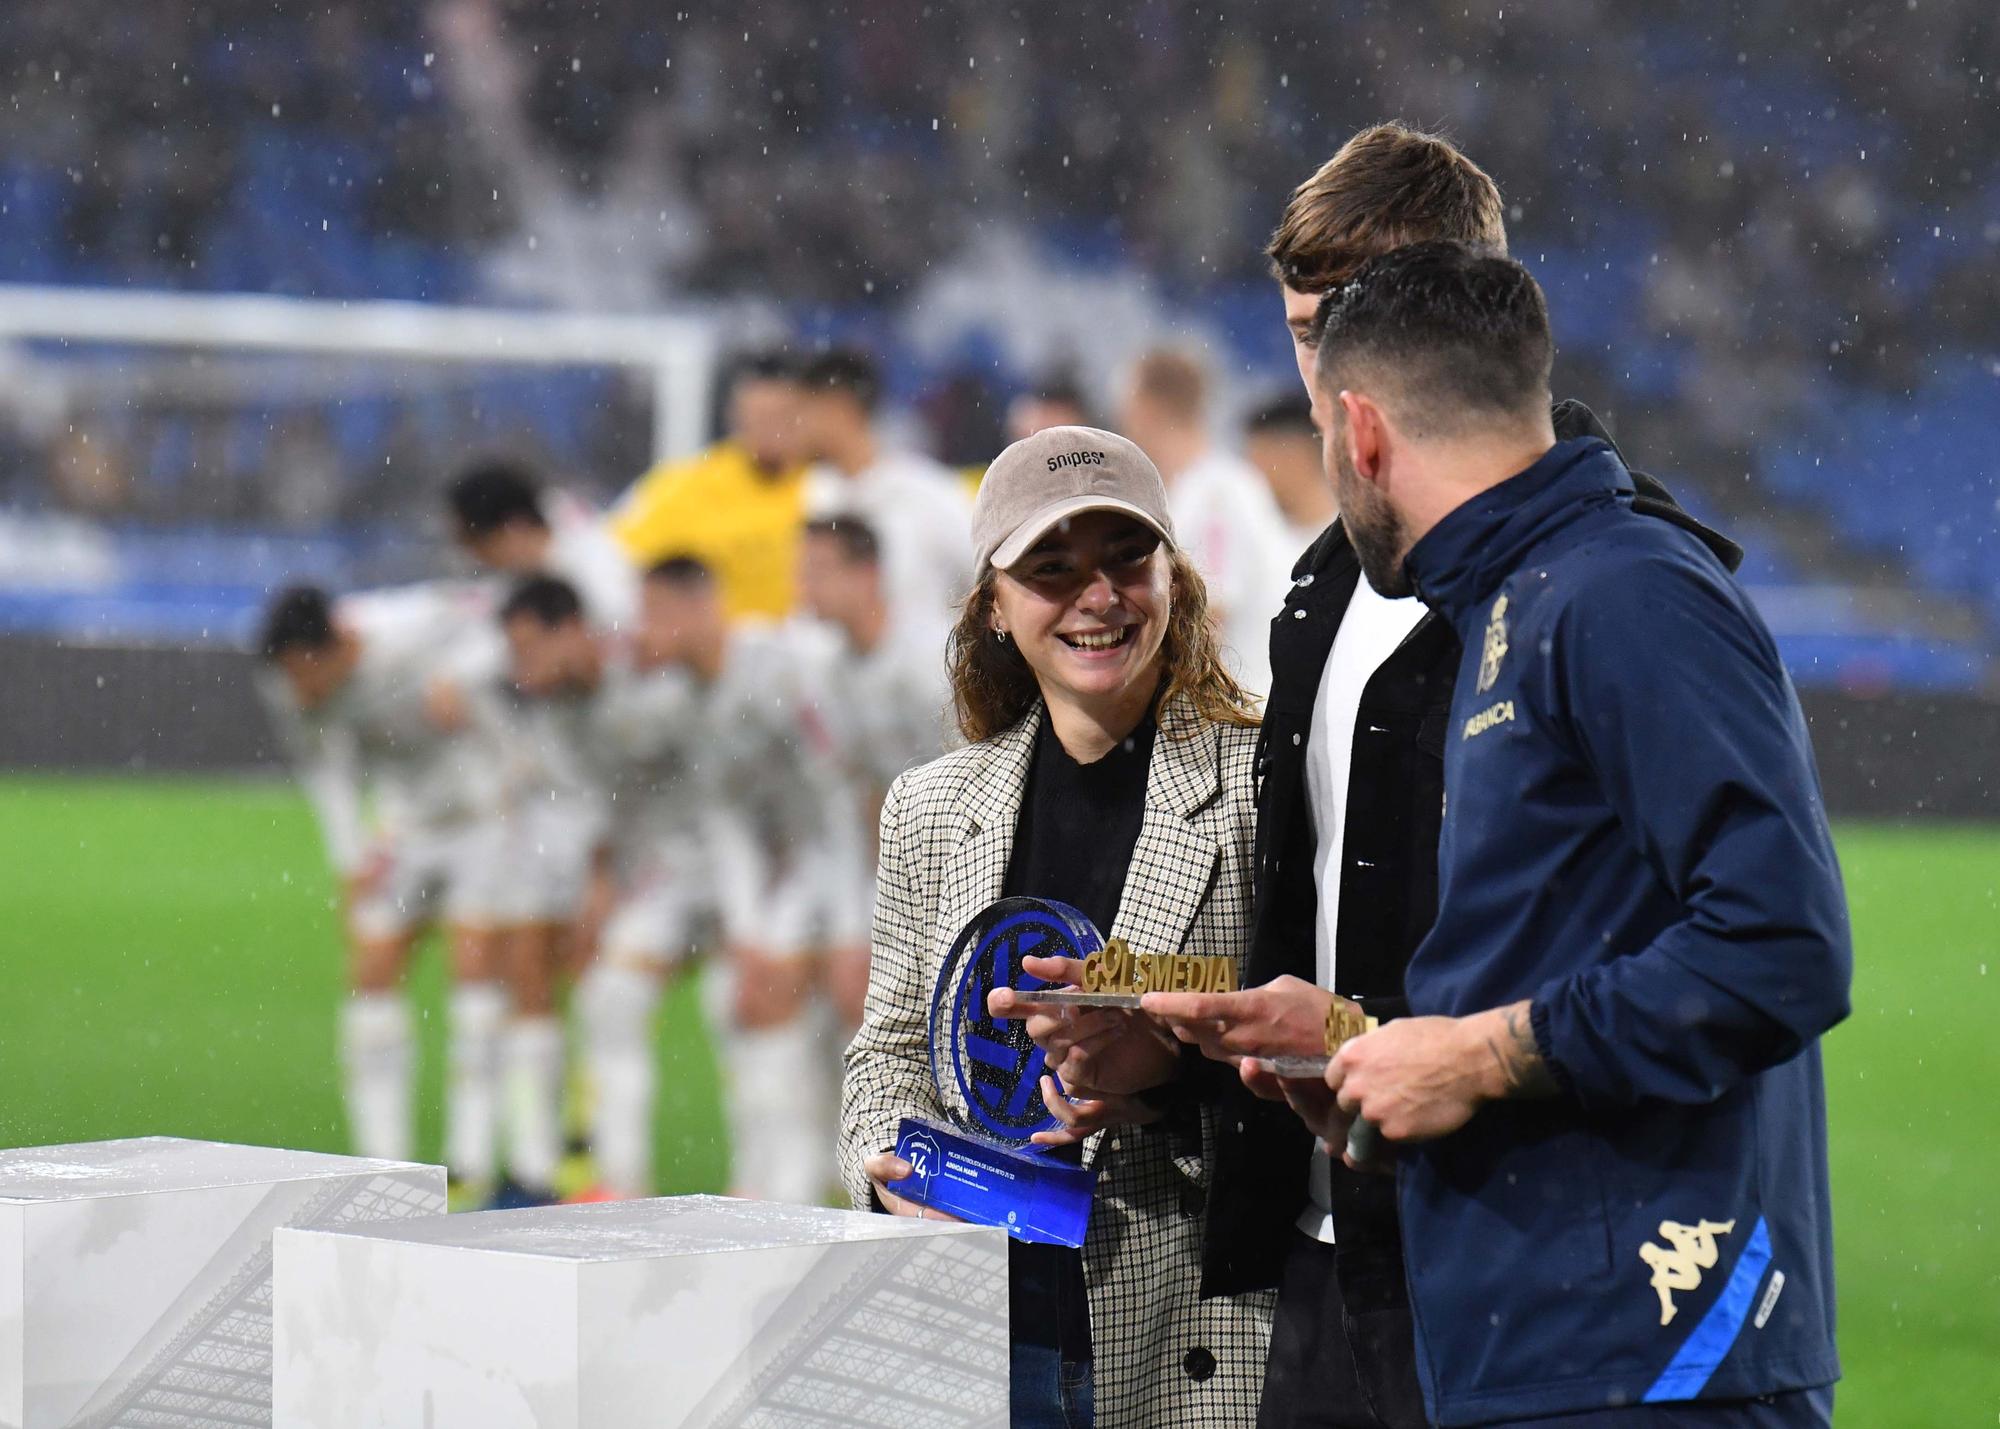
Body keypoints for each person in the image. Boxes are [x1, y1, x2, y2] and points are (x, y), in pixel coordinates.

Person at [1020, 122, 1742, 1429]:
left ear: (1477, 315)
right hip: (1328, 1272)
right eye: (1303, 330)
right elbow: (1322, 959)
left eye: (1353, 323)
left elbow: (1737, 955)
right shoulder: (1320, 586)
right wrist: (1164, 1036)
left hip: (1544, 1278)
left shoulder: (1619, 581)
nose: (1326, 376)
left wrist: (1417, 1049)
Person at [1270, 238, 1850, 1426]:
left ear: (1361, 431)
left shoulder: (1619, 593)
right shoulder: (1516, 599)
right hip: (1546, 1345)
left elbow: (1780, 945)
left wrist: (1474, 1057)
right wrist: (1375, 1054)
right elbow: (1559, 955)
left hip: (1654, 1355)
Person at [840, 425, 1274, 1427]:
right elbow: (889, 1050)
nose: (1097, 595)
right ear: (992, 604)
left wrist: (1165, 1080)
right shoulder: (931, 805)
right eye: (1049, 567)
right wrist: (883, 1166)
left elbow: (1327, 1035)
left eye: (1126, 555)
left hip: (1191, 1332)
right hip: (980, 1319)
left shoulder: (1265, 783)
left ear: (1175, 574)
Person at [255, 583, 512, 1199]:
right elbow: (327, 774)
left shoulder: (408, 625)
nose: (302, 691)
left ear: (338, 643)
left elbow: (500, 621)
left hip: (487, 813)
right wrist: (350, 863)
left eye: (307, 672)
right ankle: (380, 1168)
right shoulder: (287, 686)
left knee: (475, 973)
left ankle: (469, 1162)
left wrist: (460, 675)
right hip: (405, 824)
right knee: (371, 972)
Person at [642, 555, 861, 1205]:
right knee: (751, 996)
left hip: (868, 854)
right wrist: (747, 931)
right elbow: (726, 815)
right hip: (797, 866)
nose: (644, 631)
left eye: (655, 613)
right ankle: (777, 1184)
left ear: (700, 606)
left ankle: (851, 1187)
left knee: (862, 1020)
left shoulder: (783, 670)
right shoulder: (684, 700)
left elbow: (839, 794)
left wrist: (852, 929)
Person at [494, 574, 703, 1202]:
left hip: (737, 852)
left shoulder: (653, 666)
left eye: (530, 649)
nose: (521, 670)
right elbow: (608, 802)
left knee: (773, 1014)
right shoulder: (560, 711)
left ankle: (811, 1184)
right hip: (670, 871)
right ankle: (621, 1185)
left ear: (572, 631)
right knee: (610, 997)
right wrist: (601, 883)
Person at [793, 515, 954, 1028]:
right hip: (896, 874)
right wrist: (854, 928)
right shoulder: (827, 676)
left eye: (817, 571)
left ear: (867, 575)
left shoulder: (937, 663)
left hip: (968, 872)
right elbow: (853, 803)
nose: (804, 588)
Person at [1116, 347, 1293, 699]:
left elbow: (1211, 618)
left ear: (1146, 408)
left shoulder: (1217, 493)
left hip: (1243, 710)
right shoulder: (1188, 490)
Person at [608, 350, 815, 621]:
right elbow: (615, 559)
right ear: (735, 416)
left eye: (778, 418)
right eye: (755, 418)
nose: (767, 432)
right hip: (715, 654)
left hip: (809, 652)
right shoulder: (688, 483)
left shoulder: (828, 489)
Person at [800, 347, 974, 633]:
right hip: (841, 676)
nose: (796, 426)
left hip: (929, 674)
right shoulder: (816, 496)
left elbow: (989, 582)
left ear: (837, 407)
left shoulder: (932, 494)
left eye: (803, 410)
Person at [1244, 393, 1335, 554]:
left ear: (1298, 457)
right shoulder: (1258, 539)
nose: (1250, 476)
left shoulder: (1356, 545)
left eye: (1260, 459)